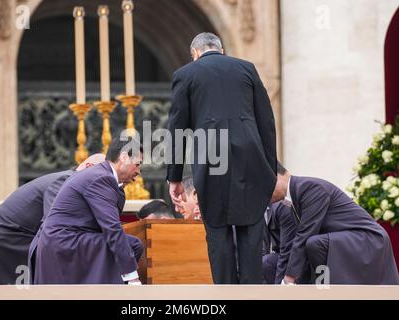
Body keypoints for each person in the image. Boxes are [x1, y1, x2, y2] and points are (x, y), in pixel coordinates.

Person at [167, 32, 277, 284]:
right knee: (251, 230)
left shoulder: (185, 74)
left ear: (195, 53)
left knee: (217, 231)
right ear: (221, 49)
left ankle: (225, 295)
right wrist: (269, 169)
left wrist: (175, 177)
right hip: (251, 158)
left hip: (211, 159)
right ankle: (252, 295)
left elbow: (178, 130)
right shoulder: (246, 69)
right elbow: (266, 122)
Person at [0, 154, 105, 285]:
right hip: (3, 241)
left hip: (15, 238)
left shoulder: (72, 182)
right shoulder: (66, 181)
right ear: (88, 166)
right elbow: (57, 226)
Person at [33, 138, 144, 285]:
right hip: (65, 243)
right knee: (132, 244)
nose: (138, 171)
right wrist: (133, 278)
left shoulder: (101, 175)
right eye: (137, 164)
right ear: (123, 158)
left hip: (63, 241)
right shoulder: (101, 178)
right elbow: (112, 228)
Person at [271, 162, 399, 285]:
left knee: (315, 244)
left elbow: (303, 236)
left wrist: (289, 279)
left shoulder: (310, 188)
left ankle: (324, 289)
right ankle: (322, 288)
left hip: (368, 239)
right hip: (348, 239)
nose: (264, 196)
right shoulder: (294, 199)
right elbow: (293, 246)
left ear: (277, 177)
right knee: (315, 245)